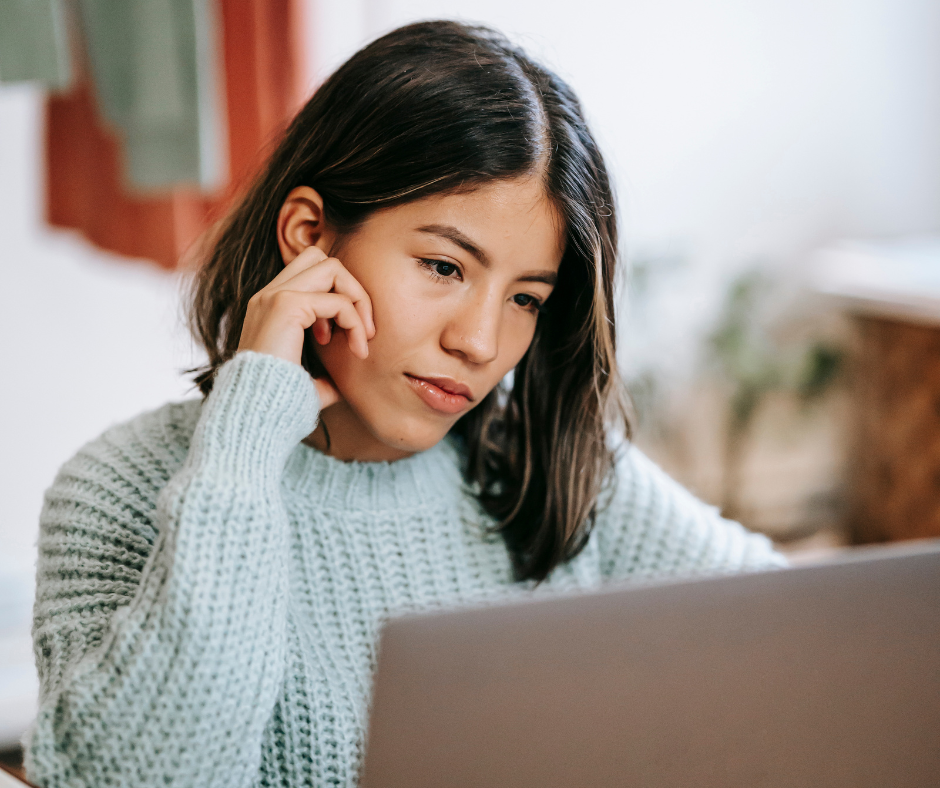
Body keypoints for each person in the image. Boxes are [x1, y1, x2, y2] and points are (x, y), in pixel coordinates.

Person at [24, 20, 785, 788]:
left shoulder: (556, 475)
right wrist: (247, 438)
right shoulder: (118, 490)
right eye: (444, 266)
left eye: (525, 298)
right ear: (309, 236)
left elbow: (805, 641)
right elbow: (136, 778)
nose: (481, 342)